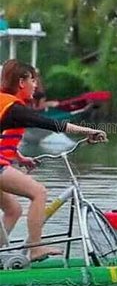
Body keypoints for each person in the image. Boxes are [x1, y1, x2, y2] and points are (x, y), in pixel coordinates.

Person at [0, 60, 107, 261]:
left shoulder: (4, 103)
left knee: (13, 209)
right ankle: (35, 248)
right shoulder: (15, 108)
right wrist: (89, 131)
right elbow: (52, 124)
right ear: (22, 82)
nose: (35, 86)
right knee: (39, 192)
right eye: (33, 80)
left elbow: (3, 137)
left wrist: (20, 157)